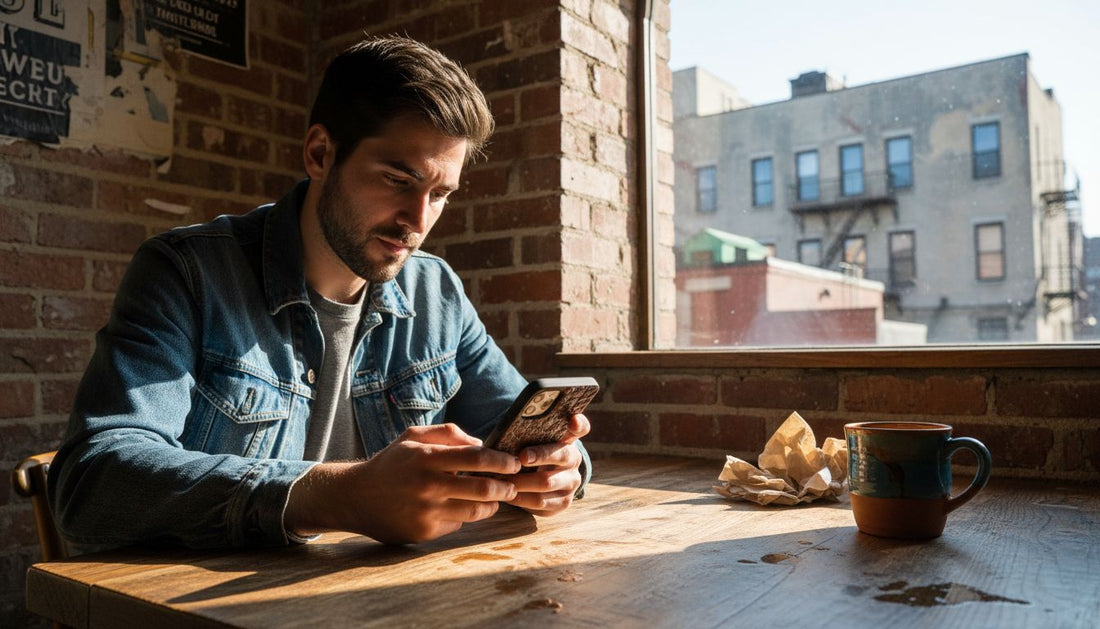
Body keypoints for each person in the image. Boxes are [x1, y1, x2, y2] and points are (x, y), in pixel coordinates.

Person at [48, 36, 592, 549]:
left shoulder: (436, 291)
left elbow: (520, 425)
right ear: (319, 153)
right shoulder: (187, 273)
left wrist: (557, 467)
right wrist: (337, 496)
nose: (417, 221)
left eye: (440, 194)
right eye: (398, 180)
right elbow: (93, 482)